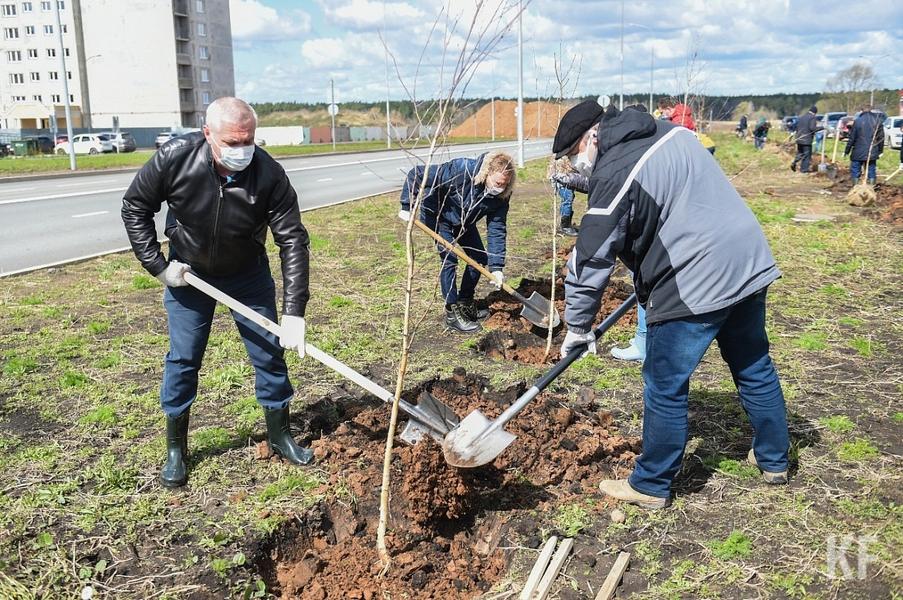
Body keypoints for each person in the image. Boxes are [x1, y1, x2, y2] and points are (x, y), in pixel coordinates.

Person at [553, 101, 790, 509]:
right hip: (747, 259)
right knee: (753, 364)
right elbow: (653, 191)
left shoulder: (615, 169)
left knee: (665, 383)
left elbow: (591, 257)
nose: (578, 163)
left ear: (592, 137)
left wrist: (577, 326)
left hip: (695, 277)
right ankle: (774, 460)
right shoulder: (668, 132)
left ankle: (651, 484)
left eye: (575, 154)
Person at [121, 97, 315, 488]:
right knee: (184, 358)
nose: (242, 150)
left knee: (269, 355)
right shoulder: (175, 158)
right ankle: (176, 448)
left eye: (249, 141)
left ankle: (279, 435)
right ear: (208, 133)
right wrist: (160, 268)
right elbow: (135, 206)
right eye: (233, 142)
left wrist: (294, 311)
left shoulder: (269, 174)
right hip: (189, 274)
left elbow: (292, 240)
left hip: (247, 275)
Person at [398, 151, 516, 333]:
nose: (500, 187)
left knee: (479, 258)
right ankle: (452, 313)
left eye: (505, 184)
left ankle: (465, 302)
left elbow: (497, 229)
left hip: (464, 221)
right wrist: (407, 205)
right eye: (498, 183)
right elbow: (418, 174)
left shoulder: (502, 195)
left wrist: (497, 267)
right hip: (437, 216)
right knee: (450, 258)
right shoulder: (461, 170)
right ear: (487, 173)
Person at [844, 105, 884, 185]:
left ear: (861, 111)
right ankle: (872, 188)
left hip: (858, 151)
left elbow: (852, 138)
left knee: (855, 169)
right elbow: (881, 138)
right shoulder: (877, 121)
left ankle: (855, 187)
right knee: (871, 169)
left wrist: (847, 150)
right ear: (871, 110)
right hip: (872, 150)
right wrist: (880, 151)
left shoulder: (857, 121)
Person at [547, 156, 579, 236]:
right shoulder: (561, 157)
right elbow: (554, 172)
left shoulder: (564, 155)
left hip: (567, 182)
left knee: (569, 199)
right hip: (563, 183)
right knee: (567, 200)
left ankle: (566, 224)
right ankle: (565, 227)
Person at [791, 106, 822, 173]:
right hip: (807, 140)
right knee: (807, 155)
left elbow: (796, 127)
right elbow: (812, 128)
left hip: (799, 138)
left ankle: (794, 162)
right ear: (815, 112)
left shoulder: (801, 117)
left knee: (800, 153)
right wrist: (821, 128)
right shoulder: (812, 118)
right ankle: (804, 170)